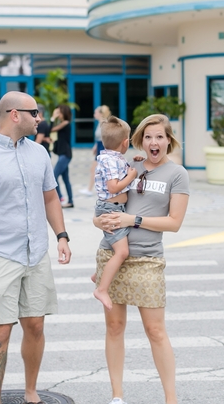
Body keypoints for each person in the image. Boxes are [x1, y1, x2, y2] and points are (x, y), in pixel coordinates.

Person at [0, 91, 72, 404]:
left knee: (35, 325)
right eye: (35, 112)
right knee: (1, 331)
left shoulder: (39, 154)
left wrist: (62, 236)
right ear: (14, 114)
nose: (40, 118)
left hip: (35, 253)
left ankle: (31, 392)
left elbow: (50, 197)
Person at [93, 114, 189, 404]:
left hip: (148, 259)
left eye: (159, 136)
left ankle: (171, 399)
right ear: (139, 140)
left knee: (155, 330)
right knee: (114, 327)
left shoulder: (177, 174)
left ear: (168, 140)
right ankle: (117, 396)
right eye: (148, 137)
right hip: (113, 254)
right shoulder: (127, 164)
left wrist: (132, 218)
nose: (153, 142)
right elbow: (103, 204)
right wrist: (99, 223)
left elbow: (174, 223)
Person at [91, 116, 138, 310]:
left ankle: (99, 273)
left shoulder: (115, 158)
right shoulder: (109, 161)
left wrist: (132, 164)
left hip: (116, 208)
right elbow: (113, 186)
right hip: (110, 209)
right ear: (125, 142)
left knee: (114, 246)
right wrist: (131, 175)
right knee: (122, 251)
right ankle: (101, 288)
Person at [80, 105, 111, 196]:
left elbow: (105, 138)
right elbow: (99, 137)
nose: (94, 114)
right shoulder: (100, 123)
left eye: (96, 113)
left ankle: (90, 189)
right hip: (99, 147)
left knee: (96, 169)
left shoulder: (104, 123)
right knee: (97, 170)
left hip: (102, 149)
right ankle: (92, 188)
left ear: (100, 114)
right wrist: (95, 146)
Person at [50, 104, 74, 208]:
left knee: (53, 177)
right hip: (63, 154)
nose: (58, 114)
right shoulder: (63, 123)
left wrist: (52, 118)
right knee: (65, 179)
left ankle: (60, 198)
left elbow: (50, 129)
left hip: (65, 155)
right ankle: (70, 201)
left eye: (59, 112)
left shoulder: (65, 123)